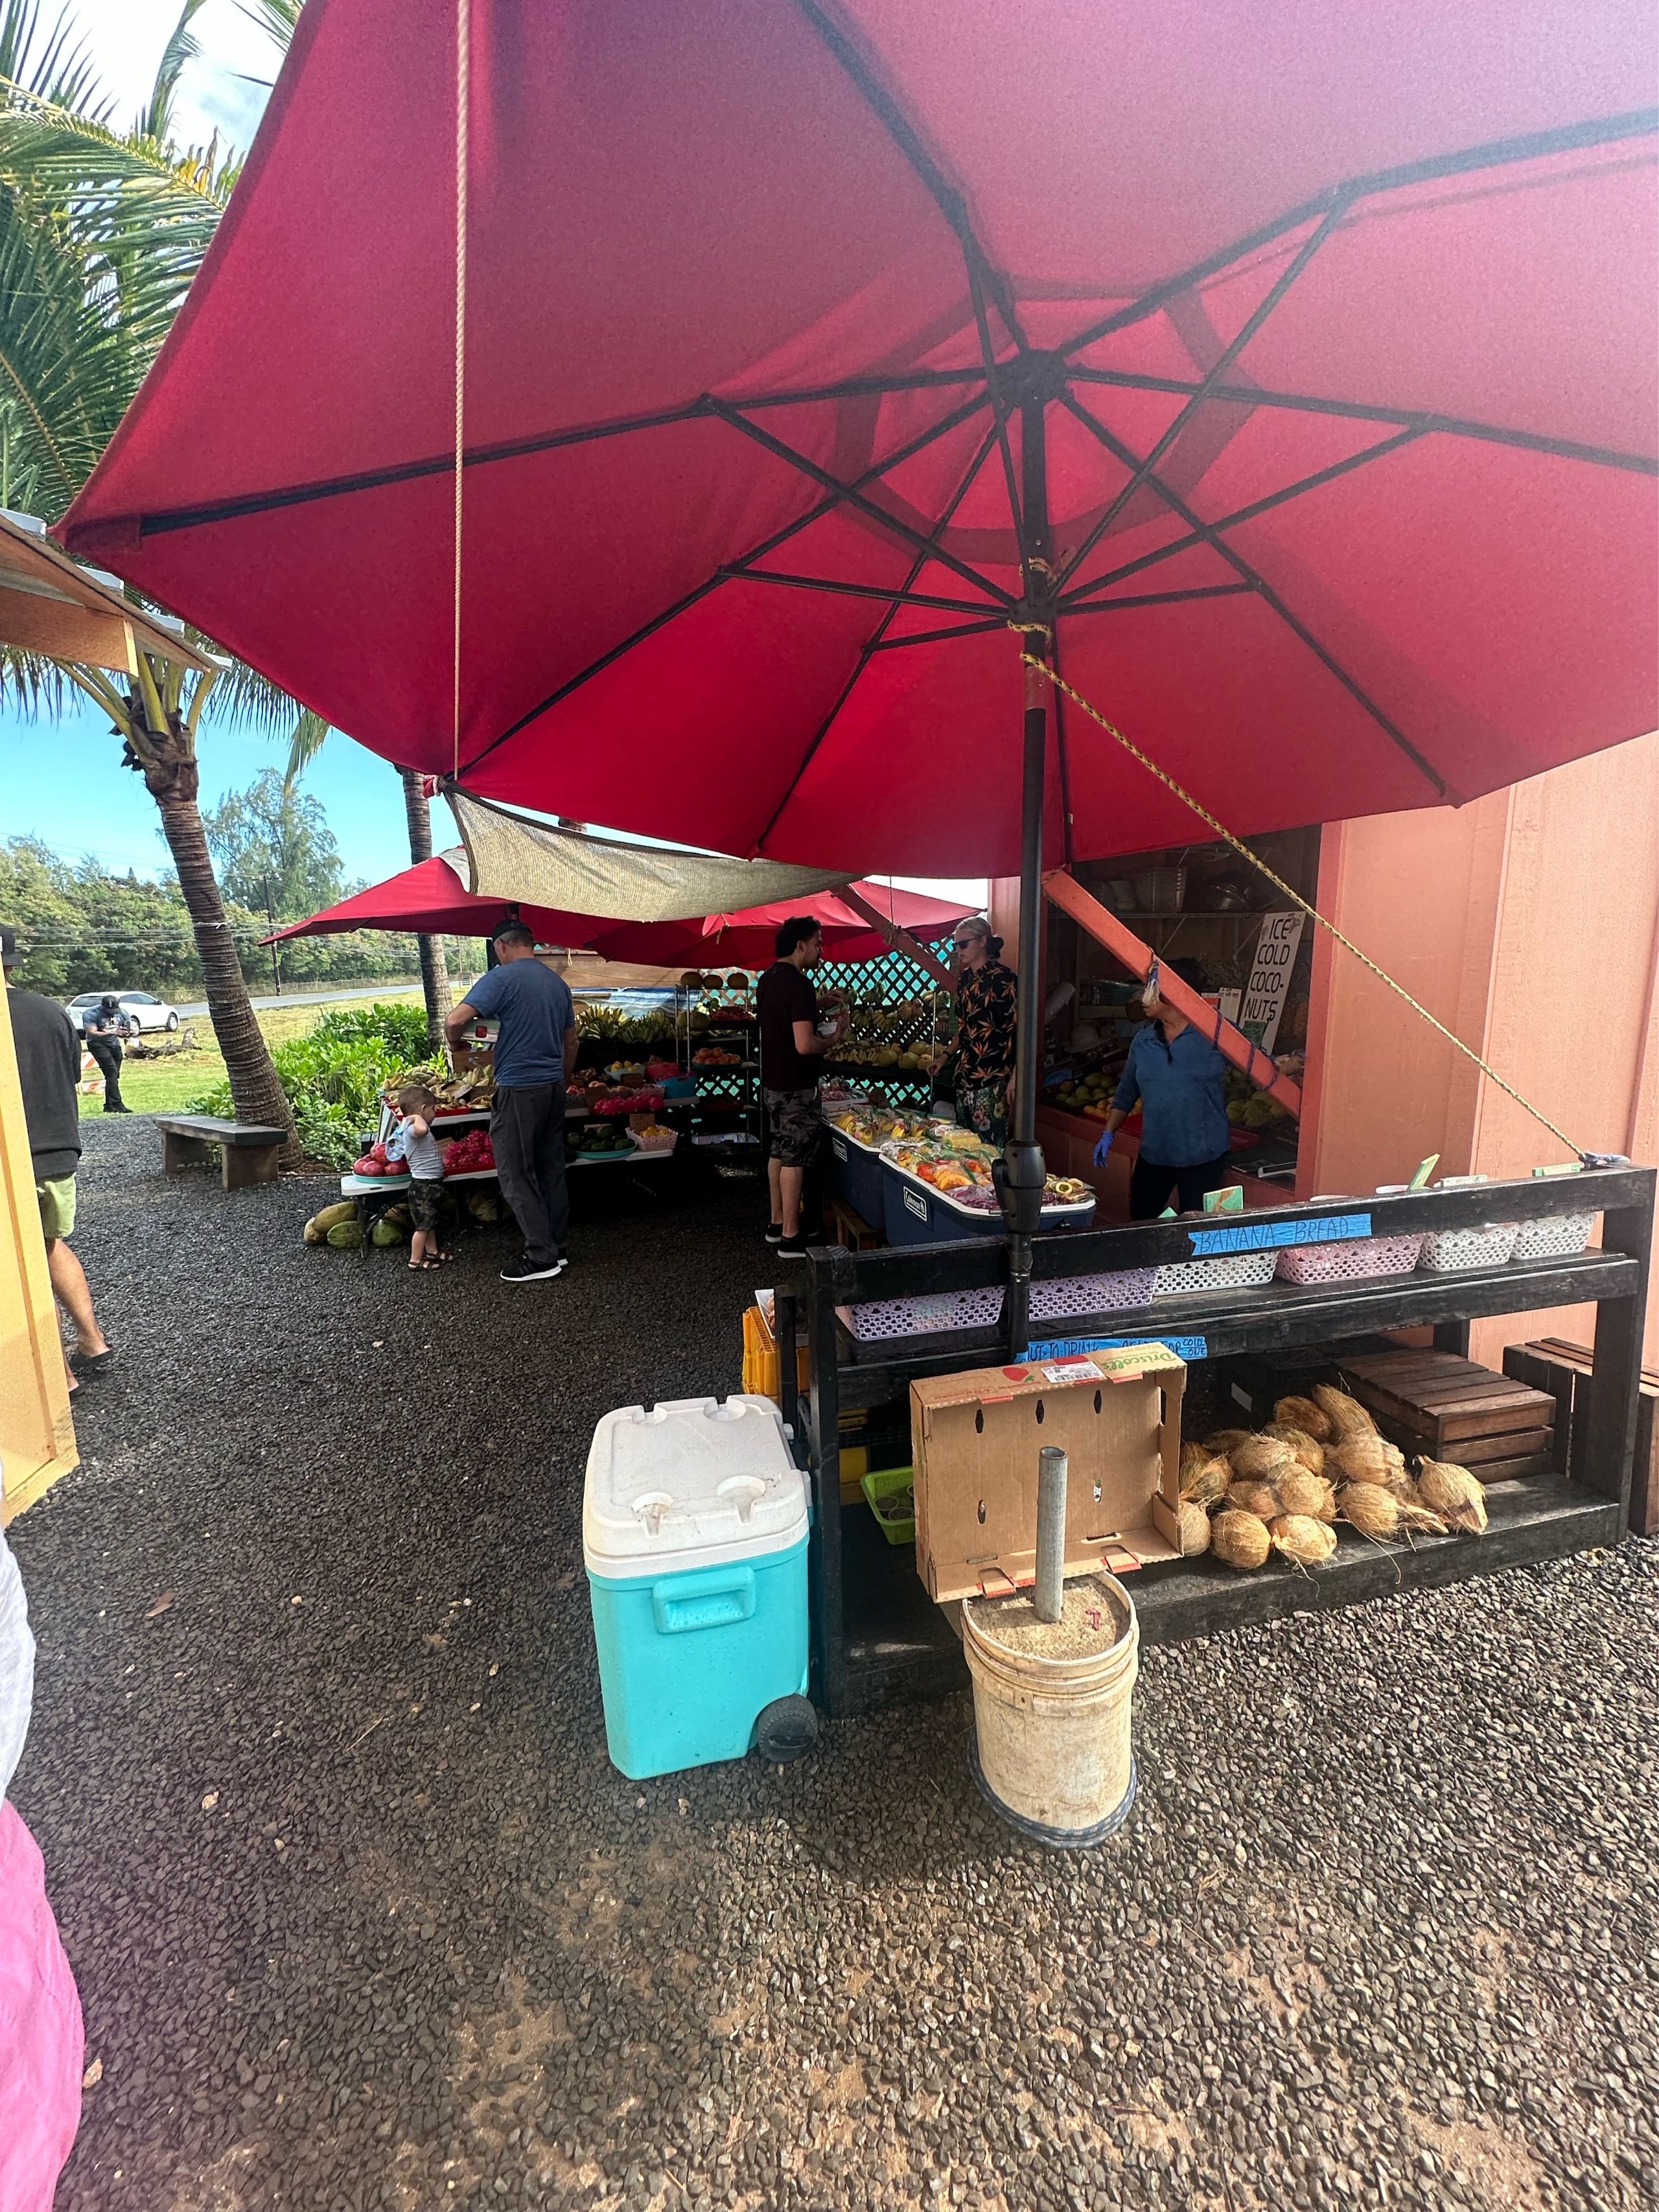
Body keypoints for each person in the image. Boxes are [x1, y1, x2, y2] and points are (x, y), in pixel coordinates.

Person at [2, 929, 111, 1386]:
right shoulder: (50, 1010)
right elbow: (71, 1076)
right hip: (59, 1152)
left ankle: (59, 1374)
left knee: (18, 1264)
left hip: (11, 1159)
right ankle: (92, 1341)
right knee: (47, 1244)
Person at [445, 923, 577, 1283]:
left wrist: (457, 1046)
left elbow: (454, 1020)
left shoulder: (501, 978)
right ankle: (558, 1247)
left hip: (519, 1088)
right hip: (552, 1087)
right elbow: (571, 1042)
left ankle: (541, 1257)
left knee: (515, 1172)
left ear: (501, 946)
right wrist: (563, 1081)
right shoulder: (557, 984)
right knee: (551, 1167)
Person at [1096, 958, 1232, 1218]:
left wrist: (1296, 1062)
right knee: (1142, 1222)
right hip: (1155, 1153)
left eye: (1150, 989)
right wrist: (1108, 1133)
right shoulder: (1143, 1041)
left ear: (1175, 994)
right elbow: (1126, 1094)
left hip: (1204, 1156)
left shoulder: (1215, 1035)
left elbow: (1257, 1065)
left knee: (1196, 1230)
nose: (1142, 997)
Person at [756, 916, 847, 1259]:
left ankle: (777, 1223)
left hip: (773, 1083)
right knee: (794, 1157)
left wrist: (817, 1004)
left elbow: (783, 1015)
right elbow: (805, 1044)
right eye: (818, 943)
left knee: (779, 1150)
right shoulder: (799, 984)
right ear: (801, 945)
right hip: (796, 1085)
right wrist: (834, 1039)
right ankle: (792, 1238)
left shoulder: (767, 979)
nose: (821, 951)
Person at [949, 915, 1019, 1149]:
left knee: (989, 1151)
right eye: (955, 945)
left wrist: (1016, 1077)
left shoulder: (1006, 979)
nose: (958, 950)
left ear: (983, 941)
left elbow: (1020, 1031)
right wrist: (944, 1057)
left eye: (963, 944)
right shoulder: (965, 980)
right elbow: (964, 1027)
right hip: (965, 1076)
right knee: (962, 1150)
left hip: (993, 1078)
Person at [387, 1084, 448, 1270]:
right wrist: (416, 1117)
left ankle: (432, 1251)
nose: (435, 1114)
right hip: (424, 1187)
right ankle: (415, 1260)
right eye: (433, 1109)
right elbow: (423, 1130)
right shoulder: (413, 1129)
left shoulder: (413, 1127)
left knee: (429, 1222)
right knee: (422, 1227)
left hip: (430, 1184)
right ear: (423, 1109)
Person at [82, 995, 130, 1114]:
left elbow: (127, 1030)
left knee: (113, 1075)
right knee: (111, 1071)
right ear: (102, 1006)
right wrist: (113, 1033)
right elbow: (92, 1033)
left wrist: (128, 1034)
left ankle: (109, 1105)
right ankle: (117, 1104)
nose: (111, 1014)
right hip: (97, 1044)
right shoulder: (91, 1014)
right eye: (108, 1011)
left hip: (114, 1044)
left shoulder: (123, 1013)